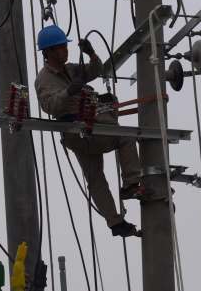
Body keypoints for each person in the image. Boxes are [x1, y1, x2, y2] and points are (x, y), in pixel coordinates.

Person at [33, 25, 145, 237]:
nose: (64, 51)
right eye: (59, 48)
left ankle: (115, 222)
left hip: (86, 130)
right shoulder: (44, 79)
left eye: (65, 47)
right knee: (124, 136)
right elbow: (49, 106)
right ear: (47, 53)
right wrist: (69, 92)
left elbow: (95, 71)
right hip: (78, 132)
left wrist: (91, 53)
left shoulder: (71, 69)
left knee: (95, 177)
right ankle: (131, 183)